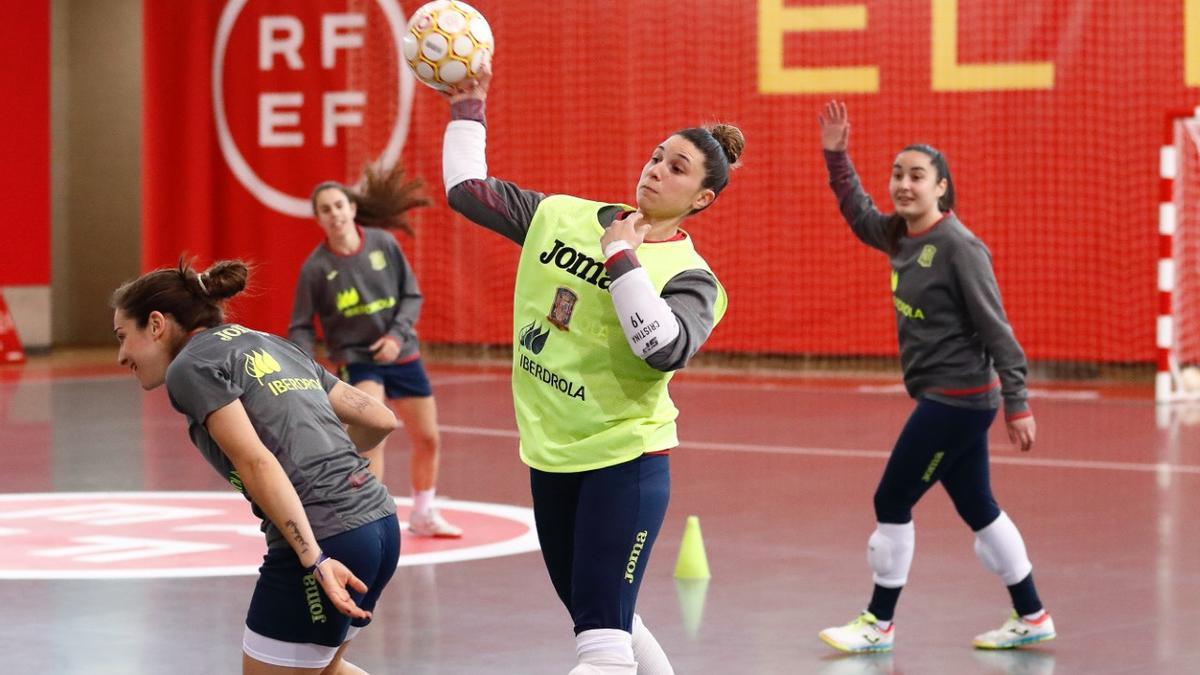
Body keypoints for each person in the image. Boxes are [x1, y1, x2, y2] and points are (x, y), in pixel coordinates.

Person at [436, 60, 742, 675]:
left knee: (600, 648)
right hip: (551, 456)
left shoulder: (692, 279)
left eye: (676, 168)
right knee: (606, 620)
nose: (656, 170)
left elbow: (662, 348)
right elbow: (466, 191)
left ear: (702, 198)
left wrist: (622, 256)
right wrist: (467, 107)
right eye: (657, 156)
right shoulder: (561, 216)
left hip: (624, 462)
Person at [815, 100, 1055, 652]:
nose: (903, 185)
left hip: (959, 400)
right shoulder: (900, 236)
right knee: (978, 507)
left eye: (916, 176)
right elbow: (857, 211)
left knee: (891, 500)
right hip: (949, 397)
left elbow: (998, 331)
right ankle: (1033, 613)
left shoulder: (959, 248)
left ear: (941, 188)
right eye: (897, 174)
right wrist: (837, 156)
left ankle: (879, 623)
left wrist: (1018, 403)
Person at [112, 259, 402, 674]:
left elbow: (255, 461)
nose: (122, 355)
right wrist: (338, 472)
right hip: (380, 528)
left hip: (327, 540)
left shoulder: (190, 367)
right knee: (328, 671)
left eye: (124, 337)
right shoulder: (271, 343)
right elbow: (380, 418)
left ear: (156, 324)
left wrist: (315, 559)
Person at [289, 166, 463, 538]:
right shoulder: (316, 269)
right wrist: (302, 366)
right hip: (357, 361)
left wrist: (397, 338)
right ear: (318, 219)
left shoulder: (384, 244)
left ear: (352, 208)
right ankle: (370, 520)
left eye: (339, 205)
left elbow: (411, 296)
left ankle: (423, 512)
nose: (334, 213)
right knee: (373, 434)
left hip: (403, 356)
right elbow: (301, 325)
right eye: (326, 209)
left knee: (428, 438)